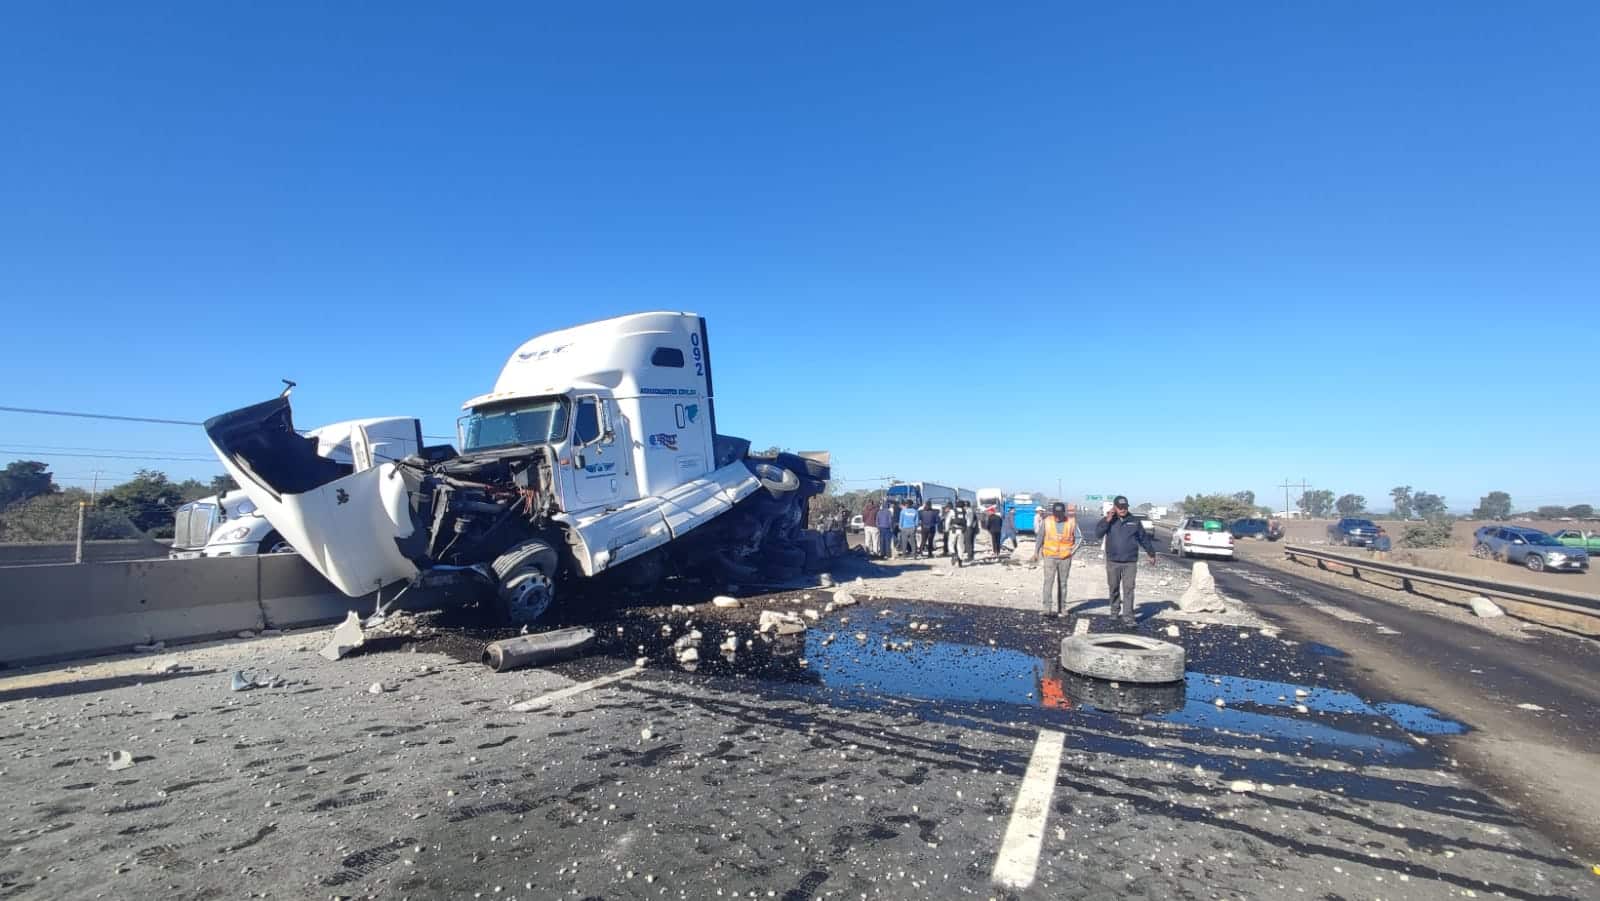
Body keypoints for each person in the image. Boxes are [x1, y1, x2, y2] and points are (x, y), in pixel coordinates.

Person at [1088, 495, 1158, 629]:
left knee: (1129, 589)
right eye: (1120, 508)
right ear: (1114, 507)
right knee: (1113, 587)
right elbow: (1098, 534)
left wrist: (1151, 553)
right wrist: (1107, 520)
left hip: (1130, 562)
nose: (1123, 510)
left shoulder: (1134, 521)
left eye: (1125, 507)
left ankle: (1128, 617)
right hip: (1113, 561)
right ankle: (1114, 611)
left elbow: (1143, 538)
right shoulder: (1109, 520)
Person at [1032, 502, 1082, 617]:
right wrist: (1036, 552)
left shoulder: (1071, 522)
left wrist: (1071, 552)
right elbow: (1040, 536)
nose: (1058, 517)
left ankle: (1062, 608)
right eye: (1056, 514)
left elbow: (1079, 538)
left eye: (1060, 514)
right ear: (1053, 512)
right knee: (1048, 582)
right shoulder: (1047, 521)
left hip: (1065, 558)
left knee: (1063, 583)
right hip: (1049, 556)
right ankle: (1046, 608)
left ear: (1063, 513)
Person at [947, 501, 970, 565]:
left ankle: (954, 554)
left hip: (953, 530)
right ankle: (960, 561)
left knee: (951, 544)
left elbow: (948, 520)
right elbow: (968, 522)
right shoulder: (965, 512)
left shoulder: (952, 511)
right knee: (960, 546)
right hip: (961, 530)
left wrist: (947, 529)